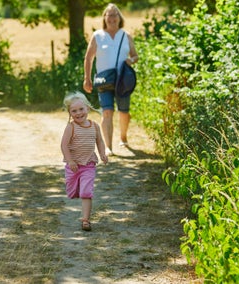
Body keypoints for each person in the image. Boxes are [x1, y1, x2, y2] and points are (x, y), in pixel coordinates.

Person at [83, 3, 139, 156]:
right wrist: (87, 79)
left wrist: (131, 61)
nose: (112, 18)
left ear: (119, 18)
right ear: (104, 18)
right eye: (109, 14)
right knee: (107, 112)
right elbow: (88, 58)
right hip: (104, 80)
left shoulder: (126, 36)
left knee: (124, 112)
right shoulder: (98, 36)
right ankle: (108, 147)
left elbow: (135, 55)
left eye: (115, 14)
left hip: (122, 81)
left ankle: (123, 137)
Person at [61, 92, 108, 231]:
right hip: (73, 166)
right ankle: (77, 189)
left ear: (87, 108)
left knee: (86, 192)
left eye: (81, 109)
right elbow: (64, 145)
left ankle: (86, 220)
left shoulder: (94, 126)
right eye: (74, 111)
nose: (78, 113)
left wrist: (102, 153)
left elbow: (99, 141)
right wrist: (70, 161)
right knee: (72, 191)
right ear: (70, 113)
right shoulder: (71, 127)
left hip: (89, 164)